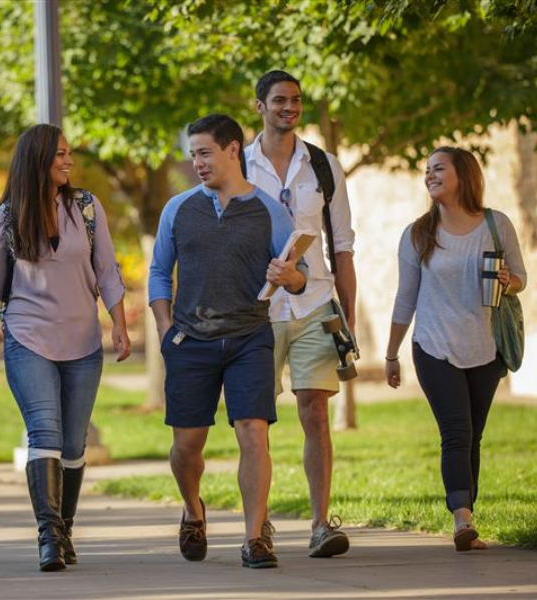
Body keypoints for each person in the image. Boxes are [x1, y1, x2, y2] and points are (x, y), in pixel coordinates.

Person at [0, 123, 130, 572]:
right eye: (59, 154)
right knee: (45, 433)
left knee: (74, 444)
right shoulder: (4, 219)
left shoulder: (87, 209)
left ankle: (65, 528)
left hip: (83, 342)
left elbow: (108, 271)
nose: (68, 161)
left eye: (68, 153)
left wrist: (119, 325)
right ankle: (49, 536)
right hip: (28, 338)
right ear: (37, 159)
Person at [149, 114, 307, 569]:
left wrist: (291, 276)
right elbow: (159, 273)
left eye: (204, 152)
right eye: (192, 153)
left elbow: (299, 278)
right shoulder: (178, 209)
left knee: (253, 433)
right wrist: (164, 332)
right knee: (187, 446)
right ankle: (193, 510)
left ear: (233, 150)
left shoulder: (271, 212)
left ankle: (255, 538)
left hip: (249, 337)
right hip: (190, 341)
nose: (196, 162)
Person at [385, 146, 526, 552]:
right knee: (457, 432)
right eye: (426, 170)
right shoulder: (418, 233)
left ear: (463, 174)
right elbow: (404, 298)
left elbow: (520, 278)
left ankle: (468, 514)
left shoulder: (496, 225)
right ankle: (461, 518)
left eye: (438, 168)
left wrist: (508, 279)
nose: (429, 175)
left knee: (474, 436)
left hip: (486, 346)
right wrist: (392, 354)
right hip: (433, 345)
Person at [244, 70, 355, 558]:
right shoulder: (237, 164)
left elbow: (343, 245)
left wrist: (346, 316)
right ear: (259, 107)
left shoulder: (325, 166)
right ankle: (259, 525)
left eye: (296, 101)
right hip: (260, 310)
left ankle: (319, 524)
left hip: (315, 303)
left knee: (315, 412)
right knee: (256, 422)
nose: (289, 108)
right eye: (279, 100)